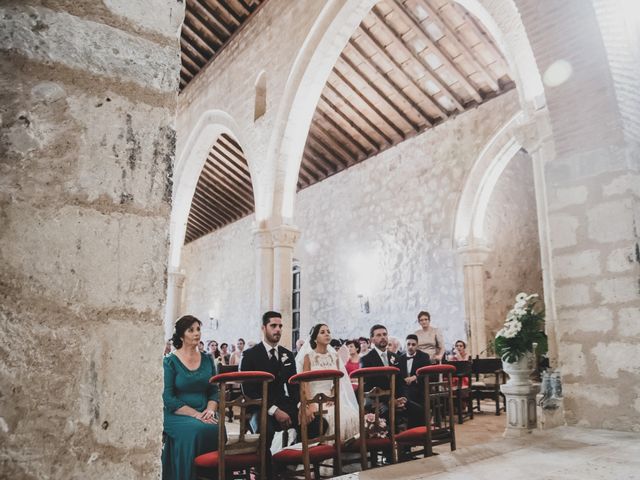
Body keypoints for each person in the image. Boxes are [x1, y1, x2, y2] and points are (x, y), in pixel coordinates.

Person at [162, 315, 220, 480]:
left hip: (205, 411)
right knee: (198, 430)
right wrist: (195, 414)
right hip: (177, 414)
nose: (196, 334)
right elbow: (168, 397)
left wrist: (209, 411)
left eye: (198, 329)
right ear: (181, 335)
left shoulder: (208, 359)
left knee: (217, 428)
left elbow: (214, 391)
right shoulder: (170, 361)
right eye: (191, 330)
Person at [239, 311, 299, 454]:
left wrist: (301, 405)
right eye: (273, 325)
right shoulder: (249, 355)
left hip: (282, 402)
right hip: (259, 406)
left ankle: (292, 461)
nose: (278, 329)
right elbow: (248, 391)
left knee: (314, 422)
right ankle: (265, 470)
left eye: (280, 326)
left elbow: (293, 385)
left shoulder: (287, 354)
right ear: (263, 328)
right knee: (266, 430)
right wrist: (275, 410)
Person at [296, 324, 360, 441]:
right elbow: (305, 383)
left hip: (330, 399)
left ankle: (343, 453)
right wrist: (310, 404)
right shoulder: (308, 357)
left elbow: (337, 380)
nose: (327, 334)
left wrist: (333, 395)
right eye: (322, 332)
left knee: (351, 416)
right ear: (315, 338)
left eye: (328, 331)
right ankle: (325, 453)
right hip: (312, 398)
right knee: (331, 418)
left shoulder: (334, 357)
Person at [359, 324, 407, 409]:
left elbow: (401, 381)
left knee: (419, 411)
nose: (383, 337)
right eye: (378, 335)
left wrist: (402, 398)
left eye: (385, 334)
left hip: (397, 397)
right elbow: (368, 386)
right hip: (379, 401)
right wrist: (389, 401)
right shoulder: (366, 359)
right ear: (372, 340)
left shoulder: (396, 357)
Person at [398, 334, 431, 427]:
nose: (410, 347)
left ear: (417, 345)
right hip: (404, 388)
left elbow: (427, 373)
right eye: (408, 344)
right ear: (405, 345)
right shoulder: (400, 358)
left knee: (414, 398)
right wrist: (403, 380)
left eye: (413, 344)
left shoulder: (424, 356)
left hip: (419, 387)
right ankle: (412, 429)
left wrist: (415, 377)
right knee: (405, 395)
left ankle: (418, 429)